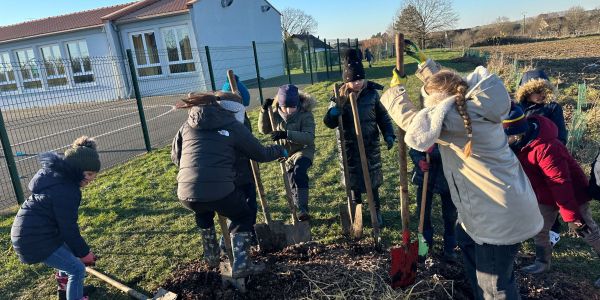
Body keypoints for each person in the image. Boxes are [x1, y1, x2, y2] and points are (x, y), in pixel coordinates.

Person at [380, 40, 543, 300]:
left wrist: (395, 92)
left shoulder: (454, 122)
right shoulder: (474, 103)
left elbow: (415, 126)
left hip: (496, 216)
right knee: (465, 240)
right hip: (502, 203)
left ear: (439, 107)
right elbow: (448, 89)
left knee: (496, 286)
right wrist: (426, 66)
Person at [171, 92, 286, 278]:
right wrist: (280, 149)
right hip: (220, 191)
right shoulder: (231, 125)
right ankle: (242, 264)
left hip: (186, 191)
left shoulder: (187, 125)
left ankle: (211, 256)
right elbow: (261, 154)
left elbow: (176, 157)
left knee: (202, 209)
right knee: (243, 214)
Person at [503, 105, 600, 277]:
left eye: (506, 137)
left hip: (571, 193)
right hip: (544, 192)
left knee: (585, 228)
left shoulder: (546, 148)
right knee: (540, 227)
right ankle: (542, 262)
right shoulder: (518, 144)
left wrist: (571, 218)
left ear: (517, 134)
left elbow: (560, 184)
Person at [11, 136, 101, 300]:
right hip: (33, 239)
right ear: (76, 168)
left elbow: (64, 228)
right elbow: (68, 229)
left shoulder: (57, 178)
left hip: (34, 232)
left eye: (93, 175)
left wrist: (78, 251)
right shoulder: (67, 190)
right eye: (88, 174)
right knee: (77, 269)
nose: (90, 179)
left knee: (69, 253)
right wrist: (84, 253)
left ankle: (65, 288)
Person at [323, 48, 396, 227]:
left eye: (360, 79)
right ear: (346, 81)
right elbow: (329, 123)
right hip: (349, 146)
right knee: (354, 182)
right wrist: (333, 114)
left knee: (372, 182)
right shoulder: (339, 97)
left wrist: (388, 134)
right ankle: (357, 214)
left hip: (370, 144)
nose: (357, 83)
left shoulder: (371, 94)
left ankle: (375, 210)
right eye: (353, 80)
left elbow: (382, 117)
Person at [515, 68, 568, 246]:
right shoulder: (519, 109)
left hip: (546, 157)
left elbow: (560, 134)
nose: (540, 95)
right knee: (527, 192)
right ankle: (531, 226)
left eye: (543, 91)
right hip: (524, 158)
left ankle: (553, 230)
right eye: (536, 91)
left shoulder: (552, 108)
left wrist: (552, 152)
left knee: (549, 193)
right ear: (527, 92)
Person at [258, 84, 316, 221]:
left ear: (297, 104)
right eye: (285, 107)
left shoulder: (305, 114)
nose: (288, 110)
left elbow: (309, 137)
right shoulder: (275, 114)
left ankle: (303, 209)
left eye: (292, 107)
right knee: (291, 180)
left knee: (299, 171)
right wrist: (264, 111)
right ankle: (297, 208)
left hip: (303, 150)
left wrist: (286, 134)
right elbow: (263, 130)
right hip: (285, 153)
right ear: (280, 105)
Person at [409, 144, 458, 262]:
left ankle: (450, 248)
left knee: (450, 216)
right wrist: (419, 161)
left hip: (448, 178)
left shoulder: (454, 128)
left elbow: (458, 152)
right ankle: (424, 248)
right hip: (426, 176)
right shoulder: (425, 127)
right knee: (423, 214)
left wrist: (434, 152)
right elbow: (414, 148)